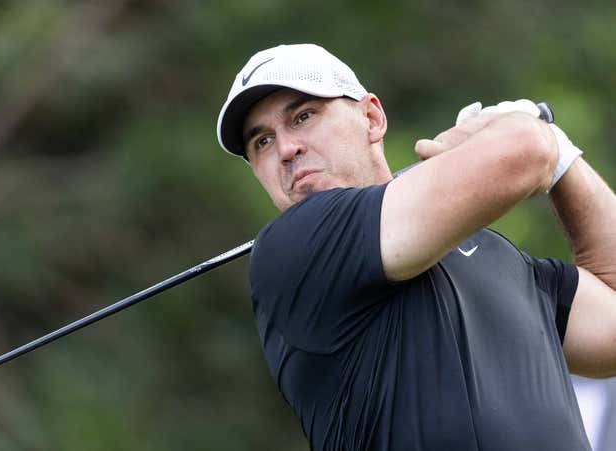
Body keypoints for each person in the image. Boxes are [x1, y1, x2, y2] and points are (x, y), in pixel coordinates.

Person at [216, 43, 616, 450]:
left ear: (371, 118)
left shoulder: (495, 254)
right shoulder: (294, 249)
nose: (286, 150)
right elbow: (525, 153)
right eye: (262, 142)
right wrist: (526, 132)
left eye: (303, 117)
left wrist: (565, 159)